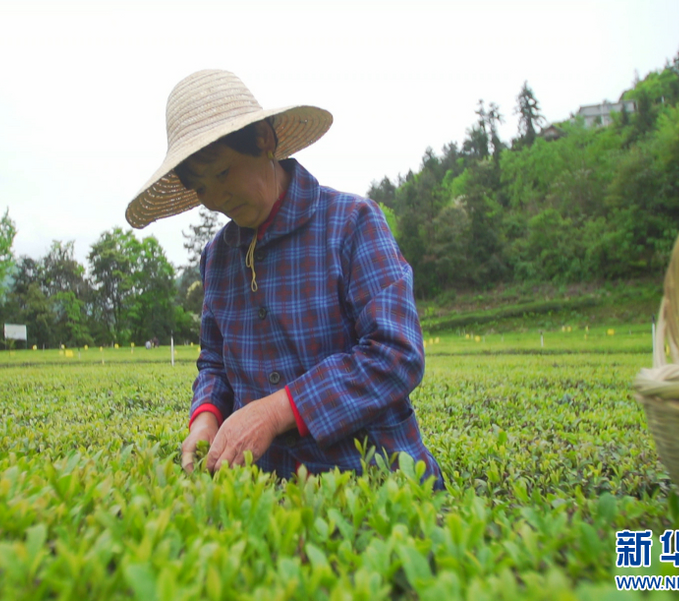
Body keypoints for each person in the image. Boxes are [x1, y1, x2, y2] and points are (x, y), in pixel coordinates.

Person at [125, 70, 443, 490]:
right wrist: (206, 417)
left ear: (264, 142)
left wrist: (276, 411)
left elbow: (397, 353)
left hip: (374, 484)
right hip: (266, 493)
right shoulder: (217, 258)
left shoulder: (352, 224)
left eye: (222, 173)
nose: (216, 200)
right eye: (201, 188)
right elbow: (216, 362)